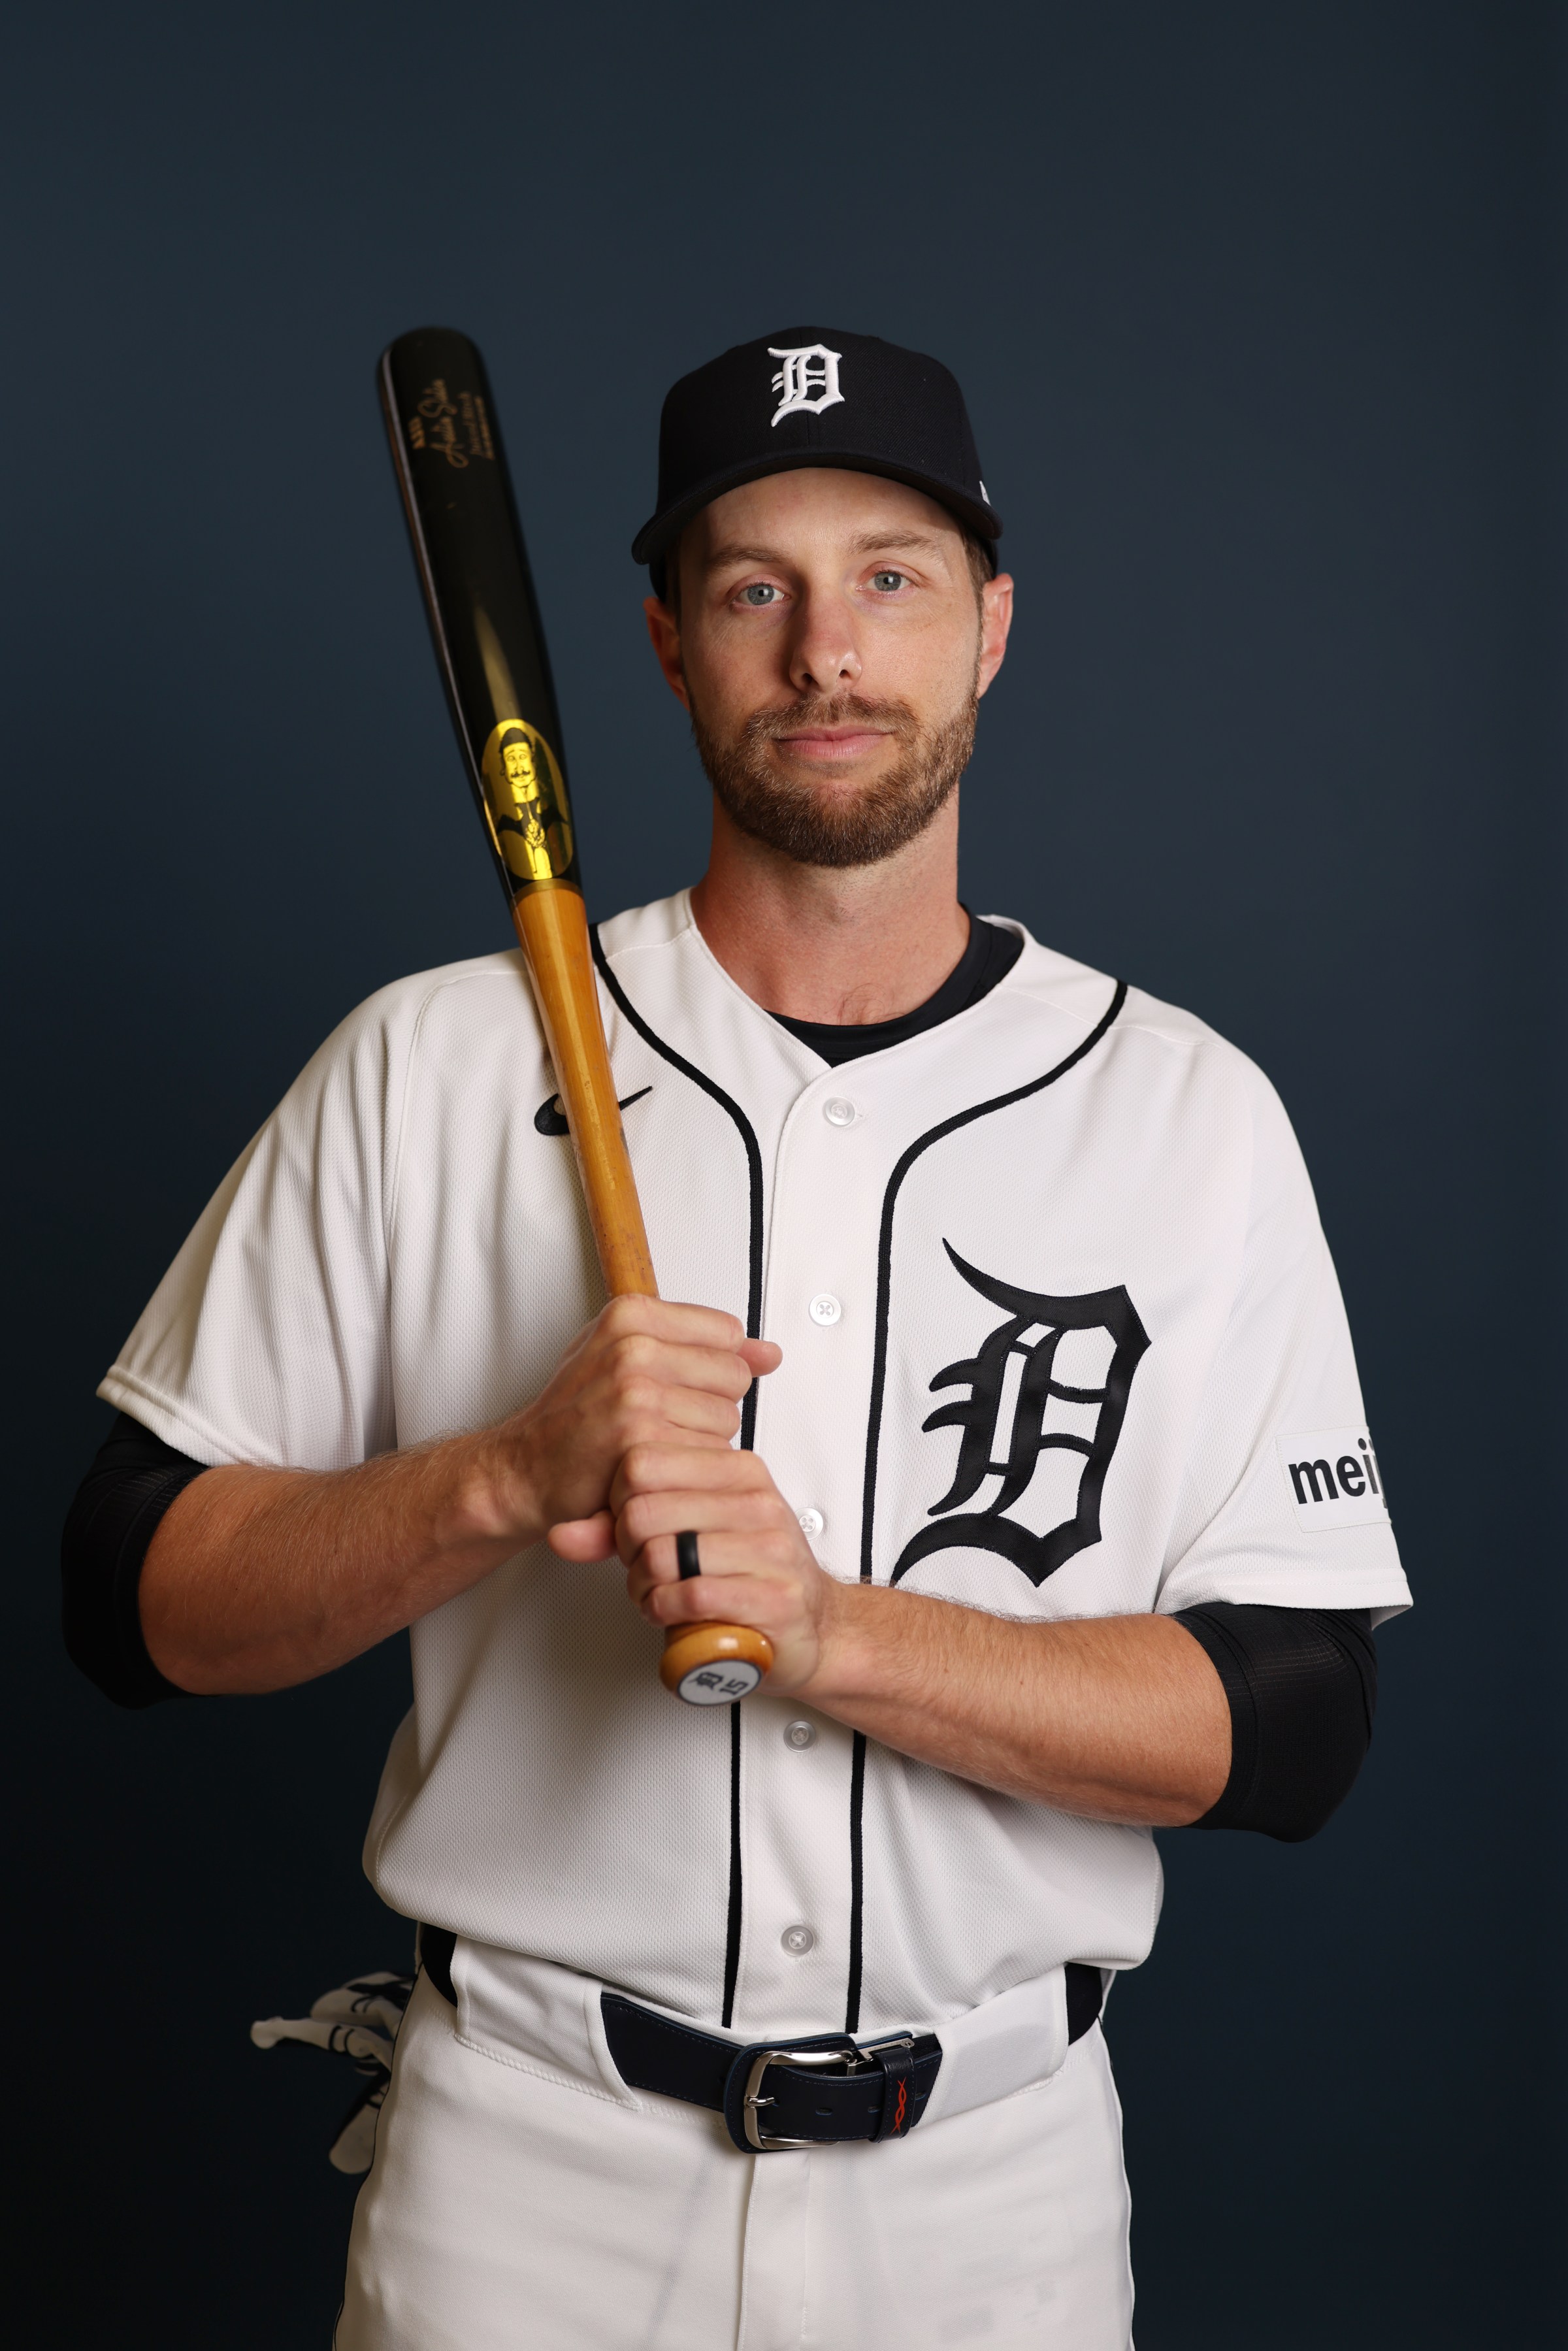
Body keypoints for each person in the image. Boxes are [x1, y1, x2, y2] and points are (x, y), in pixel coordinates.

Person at [63, 327, 1410, 2350]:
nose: (826, 653)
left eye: (891, 577)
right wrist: (500, 1479)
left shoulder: (1186, 1110)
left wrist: (834, 1633)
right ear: (671, 643)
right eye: (754, 588)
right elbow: (128, 1604)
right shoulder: (432, 1064)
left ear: (992, 629)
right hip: (523, 2173)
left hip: (996, 2203)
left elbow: (1296, 1727)